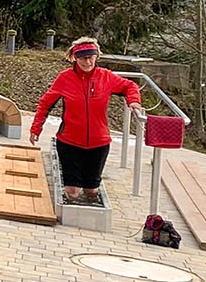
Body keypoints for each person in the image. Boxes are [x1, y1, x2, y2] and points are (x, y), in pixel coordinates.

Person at [29, 37, 143, 205]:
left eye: (91, 57)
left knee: (91, 190)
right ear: (75, 57)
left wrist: (133, 101)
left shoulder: (106, 77)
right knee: (72, 190)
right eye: (83, 58)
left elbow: (129, 86)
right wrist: (35, 128)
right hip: (69, 142)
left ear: (96, 57)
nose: (87, 62)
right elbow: (45, 103)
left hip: (99, 143)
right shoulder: (65, 78)